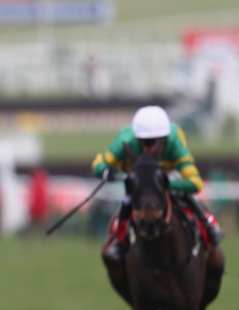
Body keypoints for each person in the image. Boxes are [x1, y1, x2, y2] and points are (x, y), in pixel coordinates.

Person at [92, 105, 223, 262]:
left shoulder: (174, 142)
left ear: (164, 139)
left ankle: (207, 224)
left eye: (155, 142)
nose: (150, 147)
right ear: (137, 138)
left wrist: (168, 185)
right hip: (138, 181)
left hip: (166, 176)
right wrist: (107, 172)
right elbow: (98, 163)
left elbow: (195, 183)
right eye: (145, 142)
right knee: (126, 201)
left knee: (188, 196)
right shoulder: (125, 141)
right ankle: (117, 241)